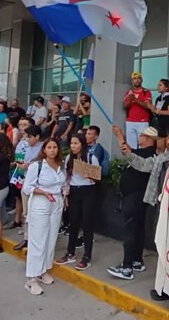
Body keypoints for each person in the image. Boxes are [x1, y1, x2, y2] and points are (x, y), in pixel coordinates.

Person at [113, 124, 169, 317]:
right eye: (167, 138)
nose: (167, 141)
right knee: (164, 249)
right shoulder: (162, 158)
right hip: (162, 210)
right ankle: (166, 287)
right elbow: (143, 165)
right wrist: (128, 153)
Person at [107, 126, 158, 280]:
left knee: (130, 230)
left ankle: (127, 267)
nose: (139, 137)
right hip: (137, 197)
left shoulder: (148, 155)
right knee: (137, 229)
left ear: (149, 139)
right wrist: (120, 136)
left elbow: (132, 157)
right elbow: (129, 151)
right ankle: (137, 260)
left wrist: (119, 136)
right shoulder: (145, 153)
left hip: (135, 198)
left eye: (142, 135)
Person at [21, 138, 66, 296]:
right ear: (44, 150)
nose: (52, 150)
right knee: (38, 240)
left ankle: (43, 270)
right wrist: (44, 192)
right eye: (49, 147)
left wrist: (64, 191)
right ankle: (31, 278)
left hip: (57, 203)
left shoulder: (61, 166)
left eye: (55, 147)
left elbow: (61, 184)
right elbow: (27, 188)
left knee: (51, 238)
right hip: (41, 203)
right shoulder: (37, 166)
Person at [55, 133, 101, 270]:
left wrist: (90, 175)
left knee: (87, 225)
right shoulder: (69, 158)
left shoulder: (91, 157)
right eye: (72, 144)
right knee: (73, 223)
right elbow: (67, 177)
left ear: (82, 144)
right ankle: (70, 253)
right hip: (74, 191)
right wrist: (66, 195)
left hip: (88, 191)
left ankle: (87, 256)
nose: (73, 146)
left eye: (76, 143)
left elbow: (98, 177)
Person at [10, 124, 43, 245]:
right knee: (26, 212)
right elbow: (20, 162)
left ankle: (36, 238)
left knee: (36, 213)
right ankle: (27, 237)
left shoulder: (44, 148)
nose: (27, 139)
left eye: (29, 137)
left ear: (37, 136)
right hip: (26, 181)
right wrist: (21, 168)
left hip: (38, 185)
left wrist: (28, 165)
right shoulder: (26, 147)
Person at [123, 73, 154, 148]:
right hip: (130, 121)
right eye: (135, 78)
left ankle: (142, 160)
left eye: (139, 78)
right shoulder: (129, 92)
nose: (137, 80)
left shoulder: (146, 91)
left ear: (142, 80)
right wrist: (130, 100)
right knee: (131, 146)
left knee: (143, 145)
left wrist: (135, 99)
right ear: (132, 81)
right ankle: (131, 160)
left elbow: (147, 106)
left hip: (143, 122)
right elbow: (124, 106)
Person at [150, 79, 169, 146]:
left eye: (160, 85)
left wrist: (158, 111)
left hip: (168, 124)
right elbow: (156, 113)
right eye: (158, 85)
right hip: (160, 124)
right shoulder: (158, 98)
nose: (158, 87)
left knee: (168, 146)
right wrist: (152, 109)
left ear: (166, 87)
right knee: (159, 147)